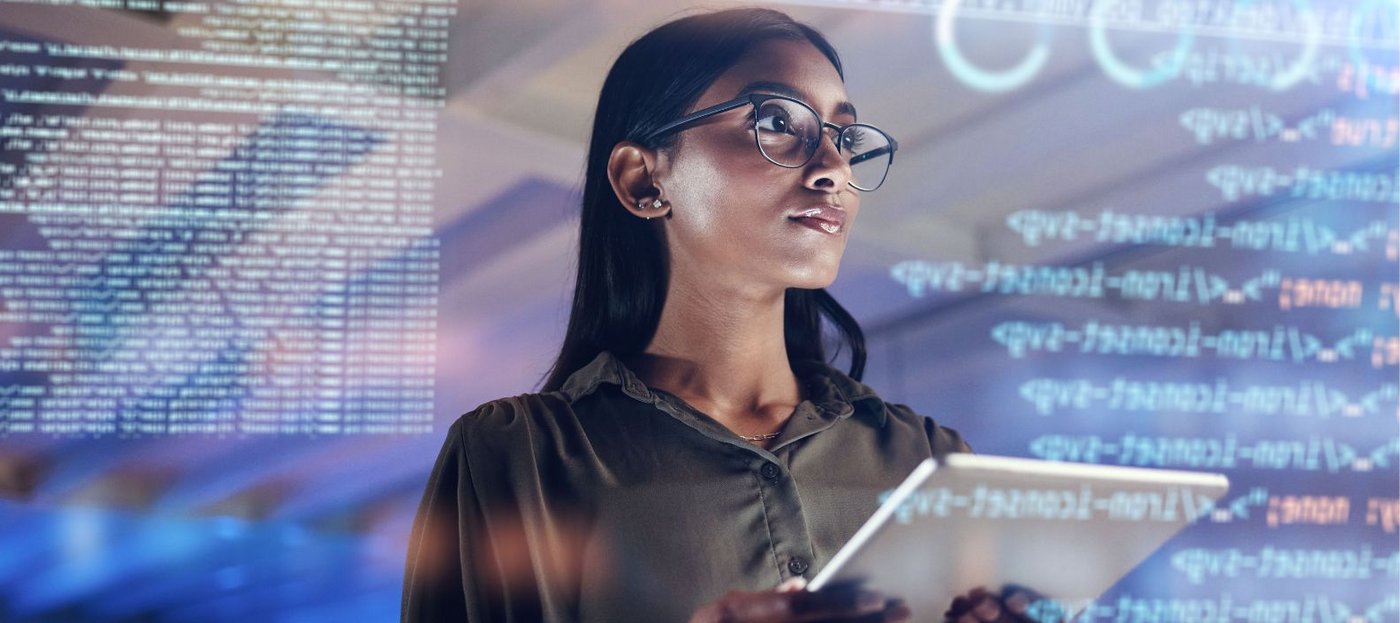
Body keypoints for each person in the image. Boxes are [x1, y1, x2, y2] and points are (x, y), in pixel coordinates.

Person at [401, 7, 983, 622]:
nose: (835, 169)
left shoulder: (929, 461)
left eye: (844, 138)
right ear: (642, 180)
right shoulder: (520, 456)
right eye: (776, 122)